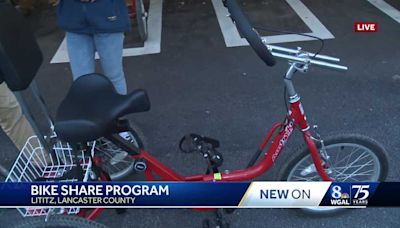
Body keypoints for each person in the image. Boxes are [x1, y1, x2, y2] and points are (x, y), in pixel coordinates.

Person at [57, 0, 131, 95]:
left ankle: (120, 108)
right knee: (82, 81)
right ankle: (89, 109)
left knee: (114, 76)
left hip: (108, 16)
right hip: (74, 18)